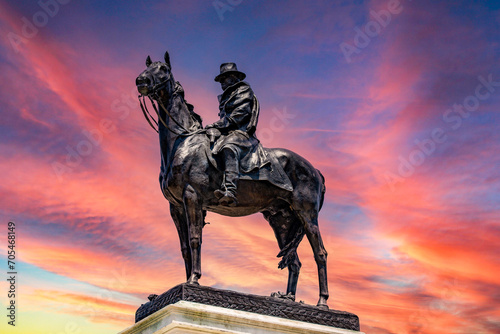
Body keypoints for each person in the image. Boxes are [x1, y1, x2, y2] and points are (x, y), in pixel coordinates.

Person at [205, 63, 262, 207]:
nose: (222, 83)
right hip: (228, 131)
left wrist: (216, 125)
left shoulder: (243, 91)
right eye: (221, 80)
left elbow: (239, 116)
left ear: (233, 77)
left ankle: (230, 190)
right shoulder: (226, 96)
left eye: (224, 79)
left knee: (228, 147)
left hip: (242, 133)